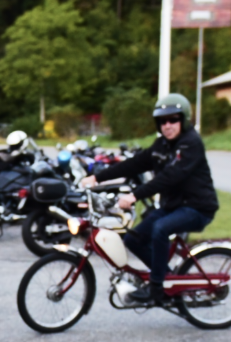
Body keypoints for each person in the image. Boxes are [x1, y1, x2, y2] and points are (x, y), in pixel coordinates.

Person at [82, 93, 218, 303]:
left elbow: (170, 177)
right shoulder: (162, 144)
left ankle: (157, 288)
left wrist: (135, 195)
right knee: (133, 239)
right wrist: (97, 178)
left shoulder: (191, 144)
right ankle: (166, 277)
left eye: (173, 119)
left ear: (184, 120)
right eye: (163, 121)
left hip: (197, 208)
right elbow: (135, 164)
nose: (168, 125)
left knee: (160, 229)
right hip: (174, 206)